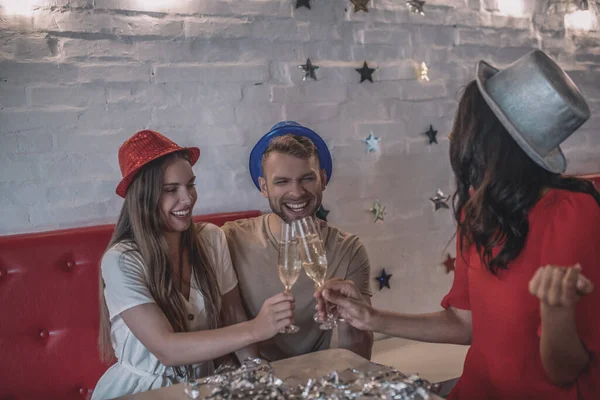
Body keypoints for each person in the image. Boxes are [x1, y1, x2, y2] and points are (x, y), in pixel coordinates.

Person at [316, 50, 600, 399]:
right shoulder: (477, 211)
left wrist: (556, 313)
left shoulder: (572, 212)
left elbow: (564, 372)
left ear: (489, 138)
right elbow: (465, 323)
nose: (455, 135)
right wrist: (371, 317)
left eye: (465, 123)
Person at [92, 130, 294, 399]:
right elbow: (167, 349)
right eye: (171, 190)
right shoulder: (121, 260)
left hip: (204, 388)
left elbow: (232, 313)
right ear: (143, 196)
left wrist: (256, 374)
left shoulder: (211, 238)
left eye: (191, 185)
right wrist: (257, 329)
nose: (187, 199)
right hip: (141, 392)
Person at [222, 121, 374, 362]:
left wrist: (350, 320)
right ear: (263, 186)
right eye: (281, 182)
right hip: (253, 378)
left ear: (323, 179)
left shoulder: (348, 249)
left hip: (317, 376)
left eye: (307, 178)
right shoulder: (230, 239)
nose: (296, 192)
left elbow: (359, 355)